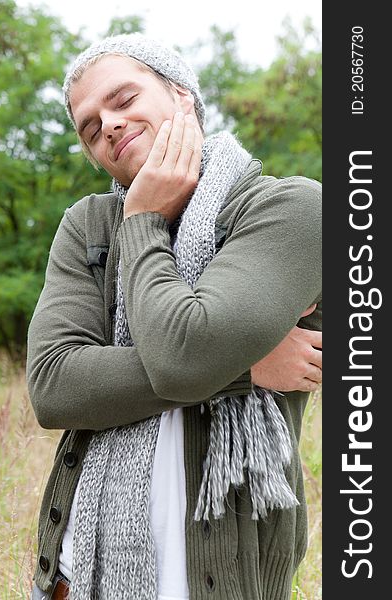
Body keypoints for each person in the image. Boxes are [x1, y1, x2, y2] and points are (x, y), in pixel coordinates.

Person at [27, 33, 322, 600]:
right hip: (78, 575)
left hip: (221, 578)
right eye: (90, 127)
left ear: (182, 96)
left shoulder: (291, 209)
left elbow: (185, 357)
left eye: (123, 98)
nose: (108, 124)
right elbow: (53, 386)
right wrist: (243, 371)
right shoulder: (88, 225)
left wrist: (140, 220)